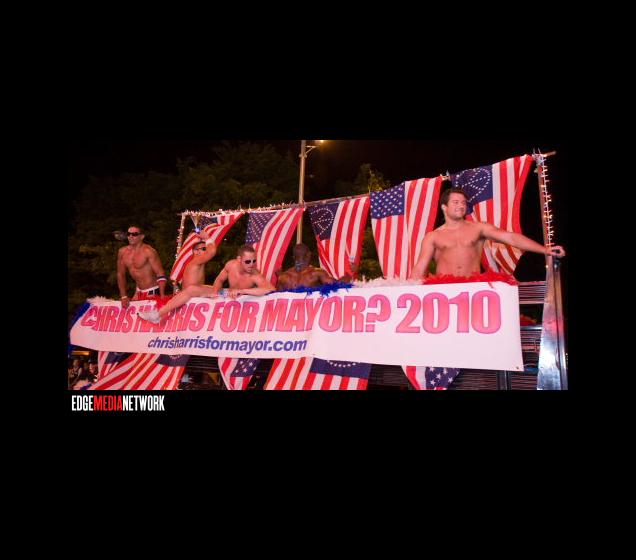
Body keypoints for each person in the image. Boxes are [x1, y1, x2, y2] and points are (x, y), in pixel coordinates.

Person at [410, 187, 566, 279]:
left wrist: (545, 249)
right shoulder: (433, 236)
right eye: (455, 202)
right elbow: (419, 269)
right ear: (444, 207)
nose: (461, 206)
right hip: (444, 291)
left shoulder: (479, 228)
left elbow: (510, 237)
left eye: (463, 202)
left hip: (475, 289)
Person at [138, 231, 217, 324]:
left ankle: (158, 314)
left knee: (191, 289)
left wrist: (201, 238)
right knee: (190, 289)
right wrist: (207, 238)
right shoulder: (196, 261)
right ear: (195, 251)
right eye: (204, 248)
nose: (206, 250)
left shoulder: (196, 262)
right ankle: (158, 314)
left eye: (205, 248)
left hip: (198, 292)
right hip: (193, 293)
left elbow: (211, 252)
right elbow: (211, 252)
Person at [117, 225, 168, 308]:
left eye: (134, 234)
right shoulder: (122, 252)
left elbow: (160, 273)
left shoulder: (149, 251)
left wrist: (162, 295)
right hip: (138, 292)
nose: (130, 236)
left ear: (142, 236)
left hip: (153, 292)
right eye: (128, 234)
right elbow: (120, 274)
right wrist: (123, 296)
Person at [276, 243, 355, 290]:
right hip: (310, 312)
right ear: (308, 255)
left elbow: (276, 298)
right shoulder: (316, 273)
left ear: (293, 257)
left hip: (292, 313)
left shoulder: (283, 277)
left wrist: (279, 275)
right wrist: (350, 273)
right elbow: (337, 285)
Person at [211, 244, 275, 299]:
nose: (251, 264)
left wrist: (242, 291)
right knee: (206, 290)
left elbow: (270, 289)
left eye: (254, 261)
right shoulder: (230, 265)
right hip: (230, 299)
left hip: (246, 303)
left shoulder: (254, 274)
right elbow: (219, 280)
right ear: (239, 259)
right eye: (248, 261)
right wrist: (215, 293)